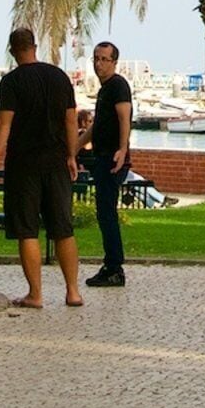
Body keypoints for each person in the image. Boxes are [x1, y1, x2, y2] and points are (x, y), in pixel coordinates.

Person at [0, 27, 84, 309]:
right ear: (34, 46)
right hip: (56, 162)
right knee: (63, 228)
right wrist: (71, 155)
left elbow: (3, 125)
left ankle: (36, 295)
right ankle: (73, 291)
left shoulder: (11, 82)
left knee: (27, 230)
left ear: (12, 50)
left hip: (24, 164)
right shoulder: (59, 77)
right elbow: (70, 121)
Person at [81, 40, 135, 288]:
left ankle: (114, 267)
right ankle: (111, 264)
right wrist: (73, 149)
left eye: (104, 59)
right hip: (102, 157)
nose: (98, 64)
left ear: (114, 62)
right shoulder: (105, 90)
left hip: (112, 159)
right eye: (96, 58)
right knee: (104, 212)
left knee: (107, 213)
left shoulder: (118, 86)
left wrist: (122, 150)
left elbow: (125, 118)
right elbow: (96, 127)